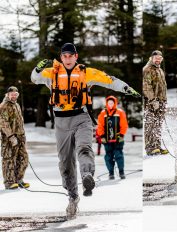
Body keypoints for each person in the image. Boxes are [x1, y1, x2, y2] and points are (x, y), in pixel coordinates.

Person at [31, 42, 140, 219]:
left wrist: (127, 88)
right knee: (65, 162)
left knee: (84, 148)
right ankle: (72, 197)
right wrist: (37, 68)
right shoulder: (51, 73)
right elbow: (34, 78)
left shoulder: (86, 72)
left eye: (70, 55)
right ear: (61, 57)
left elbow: (109, 80)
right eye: (64, 56)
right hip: (61, 122)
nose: (67, 59)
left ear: (76, 57)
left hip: (81, 118)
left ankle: (87, 175)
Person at [0, 86, 30, 190]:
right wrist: (11, 136)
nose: (14, 95)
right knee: (9, 160)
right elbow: (3, 123)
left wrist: (23, 136)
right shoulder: (4, 105)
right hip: (9, 139)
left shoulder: (16, 105)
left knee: (24, 158)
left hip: (20, 137)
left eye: (15, 94)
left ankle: (19, 180)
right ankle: (9, 182)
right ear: (7, 95)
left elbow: (19, 122)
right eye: (12, 94)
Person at [143, 50, 168, 156]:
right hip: (150, 103)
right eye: (156, 58)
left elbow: (163, 86)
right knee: (150, 124)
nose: (158, 60)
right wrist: (153, 100)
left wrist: (163, 101)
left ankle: (157, 146)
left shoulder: (159, 70)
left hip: (161, 102)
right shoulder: (147, 69)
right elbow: (146, 86)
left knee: (158, 125)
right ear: (151, 58)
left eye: (160, 58)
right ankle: (150, 148)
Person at [96, 96, 128, 180]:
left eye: (112, 103)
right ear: (106, 103)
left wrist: (121, 135)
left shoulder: (120, 112)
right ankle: (111, 173)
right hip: (107, 140)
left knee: (119, 155)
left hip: (118, 139)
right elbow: (100, 126)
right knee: (108, 156)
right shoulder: (103, 113)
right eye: (109, 103)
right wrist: (102, 136)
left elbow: (124, 125)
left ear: (115, 103)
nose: (110, 104)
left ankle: (121, 171)